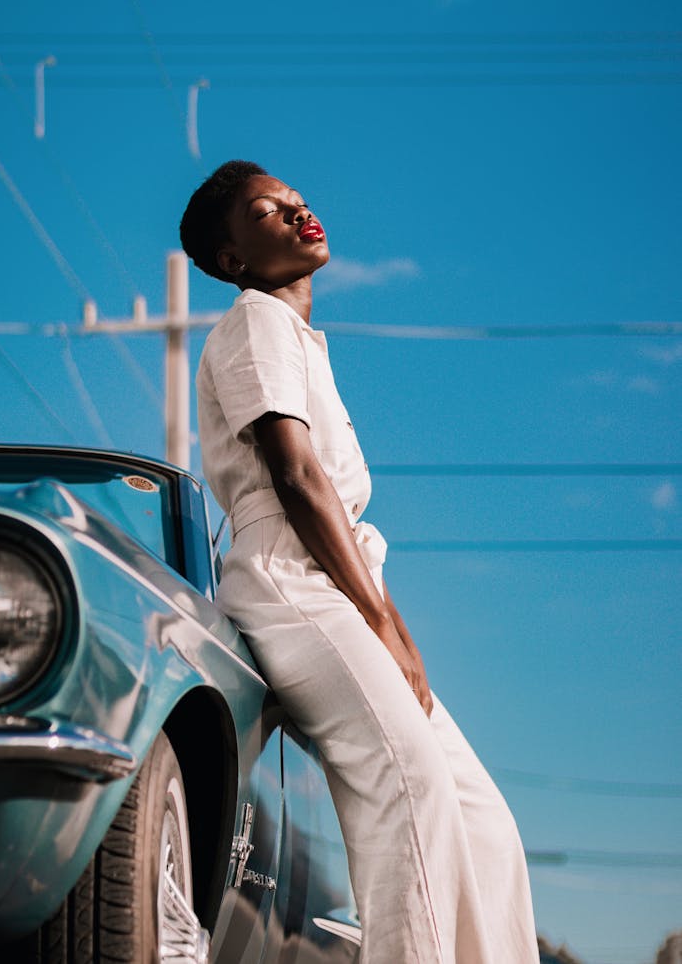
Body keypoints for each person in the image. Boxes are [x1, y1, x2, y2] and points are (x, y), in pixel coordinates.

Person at [180, 160, 540, 964]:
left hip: (343, 584)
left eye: (298, 202)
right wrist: (378, 619)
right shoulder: (255, 320)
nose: (298, 214)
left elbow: (338, 509)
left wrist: (393, 623)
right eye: (269, 213)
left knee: (483, 820)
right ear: (234, 257)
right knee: (407, 786)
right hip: (289, 581)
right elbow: (299, 480)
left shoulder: (302, 340)